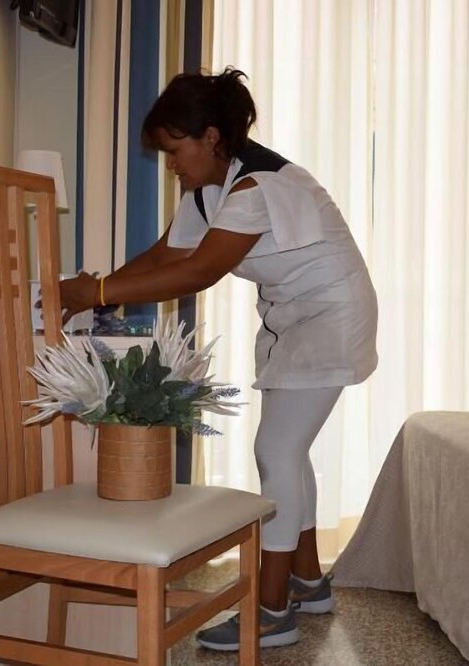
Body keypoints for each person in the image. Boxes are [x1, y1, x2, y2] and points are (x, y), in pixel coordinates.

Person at [59, 68, 378, 651]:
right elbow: (168, 254)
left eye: (174, 150)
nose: (171, 165)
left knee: (276, 451)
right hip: (293, 318)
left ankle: (272, 609)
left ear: (211, 137)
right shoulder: (210, 188)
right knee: (288, 450)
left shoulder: (257, 187)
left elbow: (200, 271)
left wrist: (98, 292)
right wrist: (99, 291)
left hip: (331, 315)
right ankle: (308, 582)